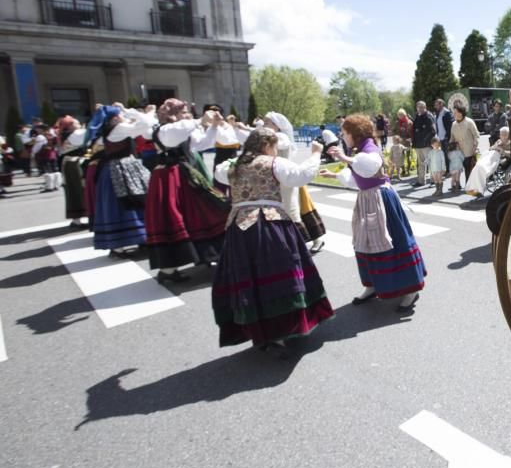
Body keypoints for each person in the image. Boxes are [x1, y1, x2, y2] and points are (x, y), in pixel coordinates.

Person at [211, 128, 334, 351]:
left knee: (251, 279)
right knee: (280, 277)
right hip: (270, 225)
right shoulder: (273, 163)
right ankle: (281, 330)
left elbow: (219, 172)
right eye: (274, 146)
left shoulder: (232, 165)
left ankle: (261, 330)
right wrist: (316, 153)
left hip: (239, 228)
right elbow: (301, 176)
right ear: (267, 145)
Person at [322, 114, 425, 311]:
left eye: (344, 133)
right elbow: (358, 177)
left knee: (395, 243)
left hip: (381, 200)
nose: (342, 137)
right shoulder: (359, 150)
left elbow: (369, 166)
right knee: (366, 244)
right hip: (367, 200)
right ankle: (372, 285)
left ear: (354, 133)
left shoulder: (370, 148)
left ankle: (410, 290)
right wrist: (336, 174)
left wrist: (344, 157)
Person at [141, 99, 229, 282]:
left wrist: (212, 126)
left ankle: (210, 254)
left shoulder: (184, 128)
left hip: (184, 175)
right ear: (172, 114)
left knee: (206, 211)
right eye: (183, 111)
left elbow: (202, 144)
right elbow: (180, 130)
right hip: (168, 179)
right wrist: (200, 121)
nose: (187, 114)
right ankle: (168, 270)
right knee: (173, 218)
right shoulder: (164, 130)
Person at [87, 105, 150, 257]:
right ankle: (125, 243)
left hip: (116, 167)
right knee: (130, 200)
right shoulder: (119, 128)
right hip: (122, 168)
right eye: (120, 114)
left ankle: (132, 241)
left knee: (126, 202)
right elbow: (145, 124)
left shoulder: (111, 129)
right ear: (115, 117)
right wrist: (130, 110)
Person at [262, 111, 326, 254]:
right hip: (276, 180)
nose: (264, 125)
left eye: (268, 122)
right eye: (264, 122)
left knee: (291, 212)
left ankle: (298, 245)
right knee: (292, 210)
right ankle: (303, 243)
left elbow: (279, 142)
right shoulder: (267, 137)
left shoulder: (281, 137)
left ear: (277, 126)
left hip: (287, 180)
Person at [57, 116, 88, 229]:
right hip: (74, 165)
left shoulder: (66, 135)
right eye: (76, 122)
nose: (79, 123)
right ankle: (78, 220)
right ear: (70, 126)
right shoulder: (76, 134)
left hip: (69, 164)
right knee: (79, 190)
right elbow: (90, 133)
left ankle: (76, 220)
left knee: (73, 191)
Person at [465, 126, 510, 197]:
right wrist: (495, 147)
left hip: (498, 159)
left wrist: (503, 151)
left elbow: (510, 154)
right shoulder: (498, 141)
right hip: (490, 156)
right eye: (501, 134)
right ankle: (473, 189)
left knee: (482, 169)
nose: (503, 136)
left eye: (505, 134)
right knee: (477, 167)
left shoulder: (510, 143)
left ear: (508, 135)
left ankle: (479, 189)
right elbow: (490, 148)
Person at [450, 103, 479, 182]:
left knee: (468, 168)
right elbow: (452, 138)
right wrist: (451, 148)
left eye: (455, 112)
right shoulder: (453, 124)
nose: (454, 114)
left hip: (469, 151)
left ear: (461, 113)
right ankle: (456, 184)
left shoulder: (469, 122)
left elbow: (476, 135)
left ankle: (469, 185)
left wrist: (475, 147)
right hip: (458, 151)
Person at [411, 100, 437, 187]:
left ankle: (434, 180)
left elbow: (433, 131)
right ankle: (421, 181)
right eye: (418, 107)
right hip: (418, 145)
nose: (420, 109)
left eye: (422, 107)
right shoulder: (417, 117)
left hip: (426, 145)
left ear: (425, 107)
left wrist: (426, 141)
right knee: (421, 164)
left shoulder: (428, 116)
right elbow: (415, 131)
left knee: (430, 163)